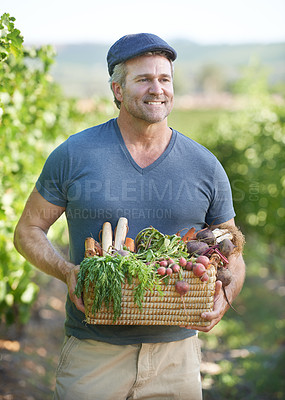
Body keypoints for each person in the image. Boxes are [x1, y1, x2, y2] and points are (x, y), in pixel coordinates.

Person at [14, 33, 245, 400]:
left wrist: (225, 294)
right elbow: (28, 230)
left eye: (165, 79)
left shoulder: (205, 165)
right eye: (144, 79)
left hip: (177, 360)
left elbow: (232, 249)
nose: (158, 89)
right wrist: (67, 272)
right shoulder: (75, 153)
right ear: (118, 89)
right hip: (94, 355)